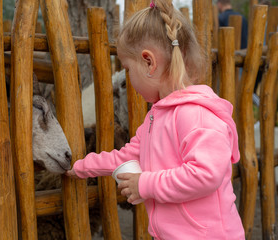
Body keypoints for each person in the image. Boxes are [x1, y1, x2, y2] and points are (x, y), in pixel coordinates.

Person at [66, 0, 245, 239]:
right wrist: (81, 167)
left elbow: (205, 174)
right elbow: (127, 155)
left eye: (128, 69)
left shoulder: (197, 115)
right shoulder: (156, 116)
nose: (128, 76)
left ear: (149, 62)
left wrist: (145, 184)